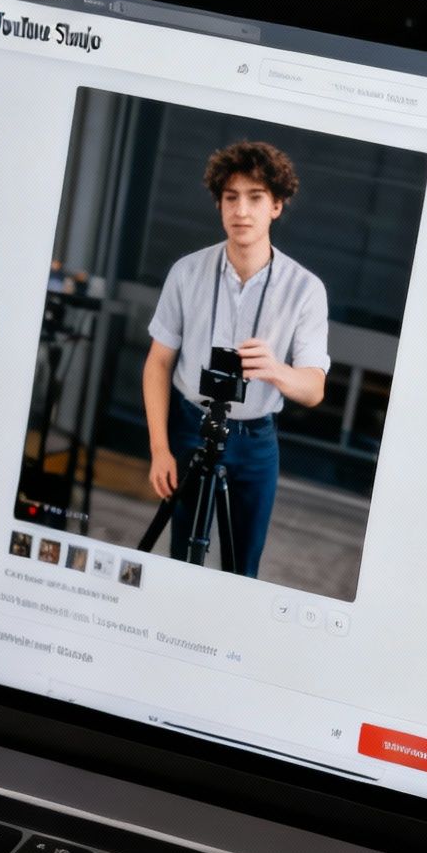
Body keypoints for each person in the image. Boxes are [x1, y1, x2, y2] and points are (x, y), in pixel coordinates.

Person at [142, 141, 330, 578]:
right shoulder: (186, 272)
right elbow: (157, 362)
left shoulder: (305, 289)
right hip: (192, 427)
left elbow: (314, 389)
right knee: (181, 563)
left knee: (242, 571)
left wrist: (277, 370)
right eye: (231, 198)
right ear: (219, 204)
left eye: (256, 197)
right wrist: (159, 449)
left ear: (277, 207)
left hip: (256, 442)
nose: (241, 210)